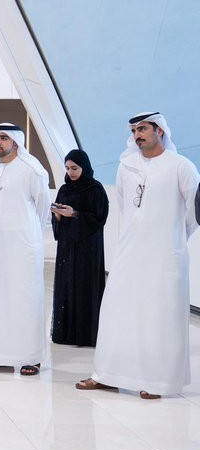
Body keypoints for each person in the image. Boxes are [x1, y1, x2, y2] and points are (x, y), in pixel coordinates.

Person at [78, 112, 200, 399]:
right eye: (134, 131)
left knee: (159, 317)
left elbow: (194, 212)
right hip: (130, 253)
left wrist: (172, 238)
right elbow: (125, 207)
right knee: (117, 311)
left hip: (165, 256)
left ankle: (158, 382)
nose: (137, 135)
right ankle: (108, 375)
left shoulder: (181, 166)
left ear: (160, 131)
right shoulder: (127, 167)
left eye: (143, 129)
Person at [0, 123, 51, 376]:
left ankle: (32, 357)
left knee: (26, 300)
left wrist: (27, 233)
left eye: (4, 138)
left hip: (24, 246)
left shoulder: (32, 170)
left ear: (16, 142)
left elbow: (42, 207)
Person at [50, 149, 108, 347]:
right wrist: (58, 215)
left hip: (87, 249)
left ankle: (85, 335)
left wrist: (74, 214)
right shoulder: (64, 190)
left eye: (74, 168)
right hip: (67, 247)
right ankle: (65, 333)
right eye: (67, 168)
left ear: (84, 166)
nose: (71, 172)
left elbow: (99, 218)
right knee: (66, 285)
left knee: (84, 286)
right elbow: (58, 221)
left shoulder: (95, 189)